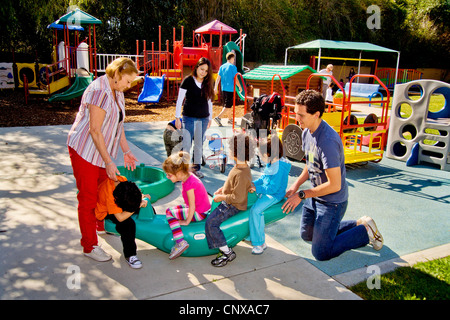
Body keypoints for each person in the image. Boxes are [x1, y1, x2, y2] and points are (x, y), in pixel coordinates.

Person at [282, 90, 383, 261]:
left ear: (316, 114)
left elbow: (334, 185)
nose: (296, 118)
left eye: (301, 115)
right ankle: (358, 223)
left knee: (321, 252)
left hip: (332, 202)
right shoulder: (307, 132)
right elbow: (311, 164)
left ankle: (364, 232)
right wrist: (296, 185)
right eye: (295, 113)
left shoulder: (327, 141)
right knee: (307, 235)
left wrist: (302, 195)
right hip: (316, 196)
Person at [67, 57, 139, 262]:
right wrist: (109, 162)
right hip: (85, 150)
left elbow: (118, 125)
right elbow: (95, 131)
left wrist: (126, 151)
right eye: (127, 81)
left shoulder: (117, 91)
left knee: (104, 190)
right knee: (88, 197)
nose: (129, 85)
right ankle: (89, 246)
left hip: (101, 150)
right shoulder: (99, 91)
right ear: (117, 74)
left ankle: (101, 225)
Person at [205, 133, 255, 267]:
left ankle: (227, 252)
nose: (229, 151)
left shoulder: (241, 173)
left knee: (211, 223)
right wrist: (223, 189)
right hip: (229, 200)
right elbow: (233, 183)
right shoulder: (240, 167)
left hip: (233, 205)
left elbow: (237, 198)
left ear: (237, 152)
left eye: (231, 149)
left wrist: (222, 197)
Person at [163, 151, 211, 259]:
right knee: (169, 210)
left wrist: (187, 221)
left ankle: (180, 242)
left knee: (170, 213)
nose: (167, 177)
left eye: (169, 175)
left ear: (179, 172)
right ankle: (179, 237)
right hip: (199, 209)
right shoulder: (188, 177)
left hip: (198, 213)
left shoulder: (189, 184)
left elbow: (192, 206)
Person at [95, 176, 150, 269]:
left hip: (119, 201)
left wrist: (140, 197)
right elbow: (120, 217)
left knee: (145, 205)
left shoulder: (122, 181)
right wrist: (137, 205)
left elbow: (131, 193)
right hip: (106, 211)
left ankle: (151, 227)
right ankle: (130, 255)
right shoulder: (111, 197)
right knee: (127, 224)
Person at [249, 135, 291, 254]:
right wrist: (252, 183)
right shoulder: (272, 162)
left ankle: (259, 243)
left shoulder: (279, 167)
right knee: (249, 204)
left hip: (275, 195)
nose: (261, 158)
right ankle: (251, 234)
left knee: (256, 211)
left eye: (261, 155)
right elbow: (263, 178)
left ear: (268, 154)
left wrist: (256, 188)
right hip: (267, 190)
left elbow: (273, 188)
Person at [175, 57, 214, 178]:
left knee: (198, 145)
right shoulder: (188, 81)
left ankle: (196, 169)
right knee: (186, 144)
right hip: (189, 117)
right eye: (201, 69)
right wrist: (177, 117)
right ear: (196, 67)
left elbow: (209, 101)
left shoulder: (207, 83)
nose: (203, 72)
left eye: (206, 71)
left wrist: (210, 117)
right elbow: (180, 99)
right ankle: (184, 169)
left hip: (203, 118)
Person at [213, 52, 242, 127]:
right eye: (234, 59)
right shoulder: (233, 67)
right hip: (230, 90)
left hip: (223, 89)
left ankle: (230, 119)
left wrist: (215, 87)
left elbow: (218, 78)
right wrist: (240, 87)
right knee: (228, 106)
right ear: (232, 58)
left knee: (227, 105)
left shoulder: (222, 67)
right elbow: (236, 79)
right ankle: (218, 117)